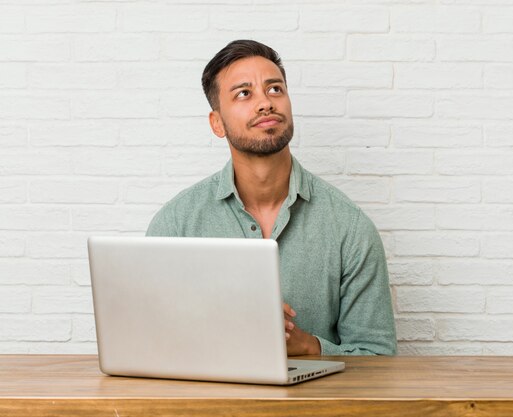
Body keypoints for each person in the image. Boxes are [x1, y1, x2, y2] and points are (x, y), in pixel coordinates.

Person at [146, 40, 397, 356]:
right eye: (244, 93)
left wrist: (307, 346)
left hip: (312, 406)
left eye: (275, 89)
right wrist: (221, 325)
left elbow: (380, 360)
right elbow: (151, 345)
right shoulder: (175, 225)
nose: (265, 103)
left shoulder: (350, 228)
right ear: (217, 123)